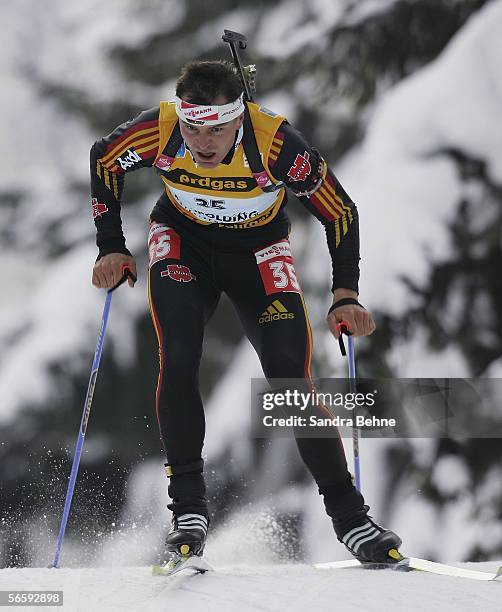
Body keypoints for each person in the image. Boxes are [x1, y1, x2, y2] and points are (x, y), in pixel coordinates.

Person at [90, 60, 402, 563]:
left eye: (217, 128)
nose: (203, 142)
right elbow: (105, 159)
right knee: (181, 355)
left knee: (289, 378)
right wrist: (110, 245)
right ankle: (188, 510)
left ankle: (351, 521)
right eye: (194, 127)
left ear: (240, 117)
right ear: (180, 115)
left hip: (259, 253)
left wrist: (345, 294)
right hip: (182, 242)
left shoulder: (275, 143)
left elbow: (339, 211)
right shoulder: (159, 129)